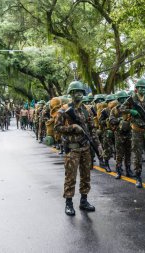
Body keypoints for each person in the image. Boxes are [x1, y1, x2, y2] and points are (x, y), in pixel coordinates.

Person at [54, 81, 102, 216]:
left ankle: (84, 201)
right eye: (76, 92)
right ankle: (69, 203)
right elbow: (56, 128)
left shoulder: (87, 110)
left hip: (86, 148)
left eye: (81, 92)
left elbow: (92, 130)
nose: (79, 95)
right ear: (71, 93)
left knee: (86, 176)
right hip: (72, 148)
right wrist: (72, 128)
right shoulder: (63, 110)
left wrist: (98, 146)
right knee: (71, 176)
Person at [120, 79, 145, 188]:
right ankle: (138, 177)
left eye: (144, 87)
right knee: (137, 155)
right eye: (140, 87)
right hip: (136, 131)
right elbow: (121, 108)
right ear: (136, 88)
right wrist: (131, 111)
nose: (142, 89)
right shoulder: (132, 99)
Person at [109, 91, 134, 179]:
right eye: (121, 99)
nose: (123, 100)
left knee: (128, 153)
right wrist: (119, 119)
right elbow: (111, 120)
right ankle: (118, 171)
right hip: (119, 134)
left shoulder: (129, 109)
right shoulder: (114, 109)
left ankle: (128, 170)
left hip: (129, 133)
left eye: (125, 98)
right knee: (119, 154)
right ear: (118, 100)